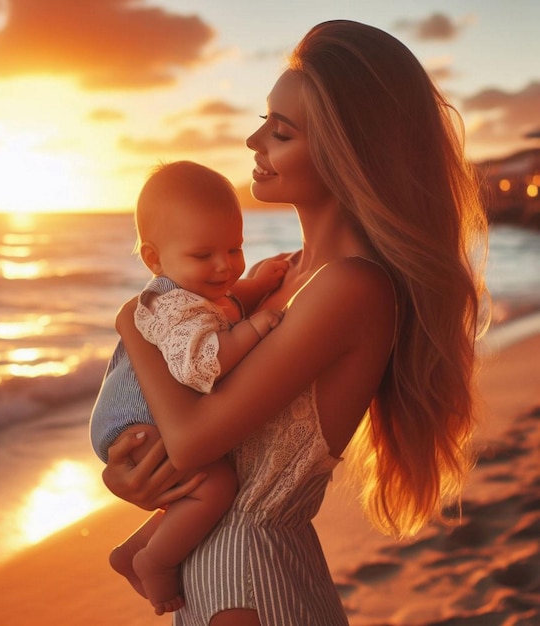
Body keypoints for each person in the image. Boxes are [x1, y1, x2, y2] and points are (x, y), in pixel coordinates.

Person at [102, 20, 489, 626]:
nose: (255, 140)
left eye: (280, 132)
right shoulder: (275, 275)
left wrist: (131, 322)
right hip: (203, 563)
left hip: (250, 573)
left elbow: (196, 439)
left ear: (347, 151)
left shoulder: (349, 287)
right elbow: (187, 425)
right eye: (264, 120)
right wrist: (135, 476)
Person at [90, 160, 287, 615]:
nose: (224, 265)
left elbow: (227, 302)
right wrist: (255, 328)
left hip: (140, 418)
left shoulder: (189, 293)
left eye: (234, 248)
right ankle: (155, 561)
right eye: (204, 256)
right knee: (214, 484)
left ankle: (130, 551)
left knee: (194, 488)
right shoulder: (173, 307)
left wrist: (257, 282)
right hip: (135, 424)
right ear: (154, 260)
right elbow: (205, 360)